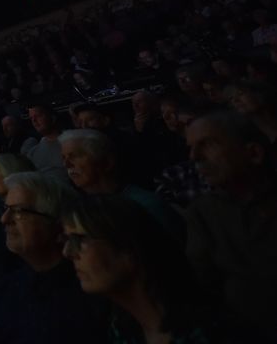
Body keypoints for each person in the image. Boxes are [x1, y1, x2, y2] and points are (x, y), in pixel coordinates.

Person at [62, 194, 228, 343]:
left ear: (129, 249)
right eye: (67, 240)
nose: (67, 252)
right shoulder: (121, 331)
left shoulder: (209, 332)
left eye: (80, 240)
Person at [183, 111, 277, 336]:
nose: (194, 156)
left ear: (253, 153)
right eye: (191, 147)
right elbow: (201, 285)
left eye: (208, 144)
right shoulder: (203, 212)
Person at [0, 172, 108, 343]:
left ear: (58, 226)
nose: (4, 219)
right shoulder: (8, 286)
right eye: (6, 209)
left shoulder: (91, 293)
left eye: (18, 211)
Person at [58, 129, 184, 240]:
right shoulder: (81, 207)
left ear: (107, 162)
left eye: (75, 156)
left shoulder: (147, 206)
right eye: (64, 158)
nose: (67, 164)